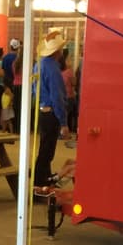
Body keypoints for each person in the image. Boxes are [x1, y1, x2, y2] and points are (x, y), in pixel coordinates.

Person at [33, 29, 70, 196]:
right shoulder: (53, 68)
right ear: (58, 51)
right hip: (52, 113)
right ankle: (40, 184)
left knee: (44, 148)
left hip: (42, 109)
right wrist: (63, 122)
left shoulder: (38, 64)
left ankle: (44, 180)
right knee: (47, 151)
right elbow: (58, 95)